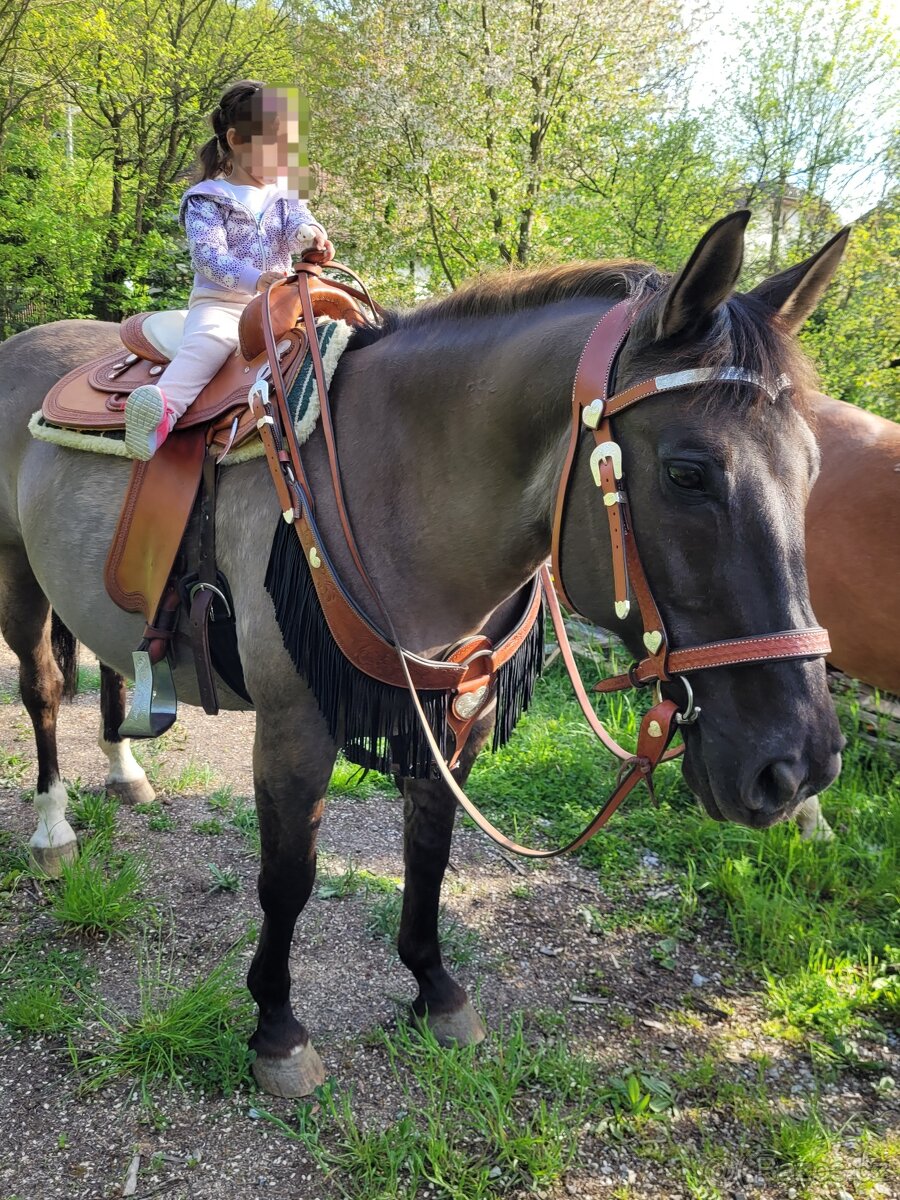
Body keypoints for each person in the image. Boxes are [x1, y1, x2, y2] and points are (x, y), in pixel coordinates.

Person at [124, 81, 333, 460]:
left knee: (331, 337)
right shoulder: (207, 198)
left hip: (279, 305)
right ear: (236, 140)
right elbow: (208, 257)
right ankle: (160, 410)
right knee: (211, 343)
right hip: (221, 304)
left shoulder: (286, 194)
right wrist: (255, 279)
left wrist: (313, 236)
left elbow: (299, 223)